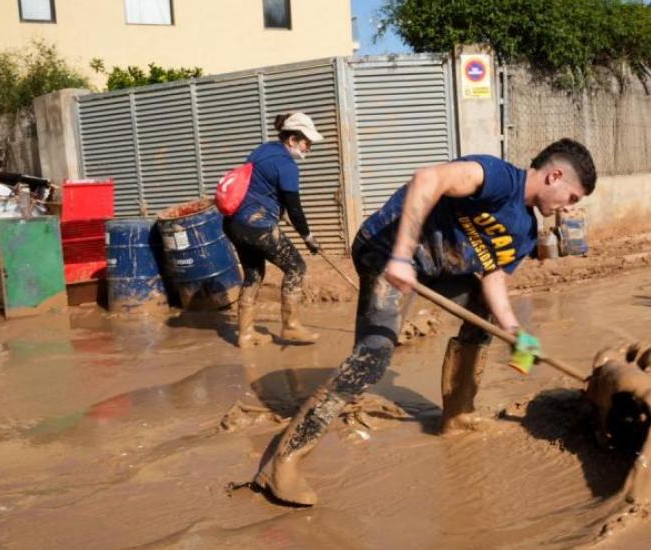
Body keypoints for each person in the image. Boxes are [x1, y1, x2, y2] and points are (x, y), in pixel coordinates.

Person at [254, 138, 598, 506]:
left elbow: (493, 275)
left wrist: (512, 329)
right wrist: (402, 256)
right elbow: (427, 179)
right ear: (555, 176)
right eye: (572, 197)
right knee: (373, 356)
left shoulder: (525, 233)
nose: (567, 209)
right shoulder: (498, 177)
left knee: (484, 317)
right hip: (387, 249)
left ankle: (458, 416)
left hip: (435, 269)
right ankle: (283, 462)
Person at [225, 112, 324, 347]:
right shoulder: (287, 165)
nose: (308, 148)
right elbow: (295, 209)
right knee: (296, 267)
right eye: (306, 142)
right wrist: (308, 237)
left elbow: (260, 184)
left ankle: (246, 334)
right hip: (256, 225)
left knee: (253, 274)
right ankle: (291, 327)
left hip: (233, 223)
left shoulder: (265, 150)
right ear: (292, 140)